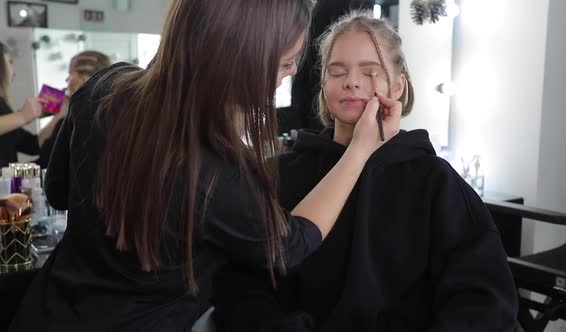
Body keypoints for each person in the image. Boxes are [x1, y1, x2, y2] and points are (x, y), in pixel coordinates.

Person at [9, 1, 402, 331]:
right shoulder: (215, 175)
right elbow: (290, 246)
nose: (294, 73)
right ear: (237, 59)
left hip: (45, 311)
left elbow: (59, 191)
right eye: (284, 63)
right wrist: (359, 152)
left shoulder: (104, 86)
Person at [212, 11, 518, 332]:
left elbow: (484, 301)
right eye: (336, 71)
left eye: (370, 72)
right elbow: (241, 287)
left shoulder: (435, 181)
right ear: (324, 83)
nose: (352, 81)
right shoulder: (279, 174)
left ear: (398, 86)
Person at [35, 50, 111, 168]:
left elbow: (45, 161)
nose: (67, 81)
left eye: (70, 74)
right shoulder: (110, 117)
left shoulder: (72, 124)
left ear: (84, 78)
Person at [0, 41, 47, 167]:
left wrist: (59, 115)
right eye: (9, 62)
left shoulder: (3, 106)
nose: (13, 71)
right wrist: (21, 116)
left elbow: (32, 145)